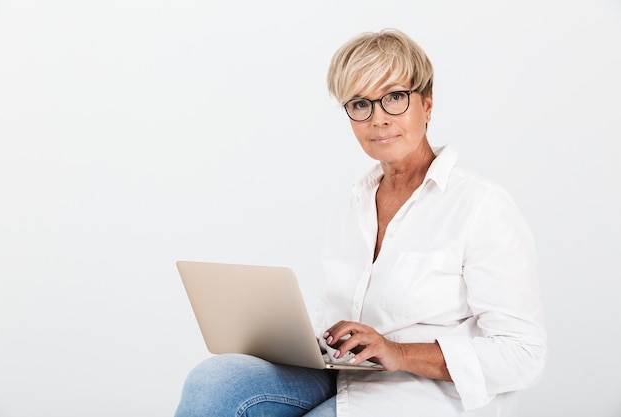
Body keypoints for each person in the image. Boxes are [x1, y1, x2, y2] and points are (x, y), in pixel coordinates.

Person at [174, 28, 547, 417]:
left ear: (428, 104)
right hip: (345, 374)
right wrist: (315, 339)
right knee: (214, 381)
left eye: (395, 98)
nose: (378, 119)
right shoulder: (354, 205)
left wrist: (397, 352)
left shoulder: (481, 206)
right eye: (360, 104)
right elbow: (335, 312)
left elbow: (523, 354)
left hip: (424, 396)